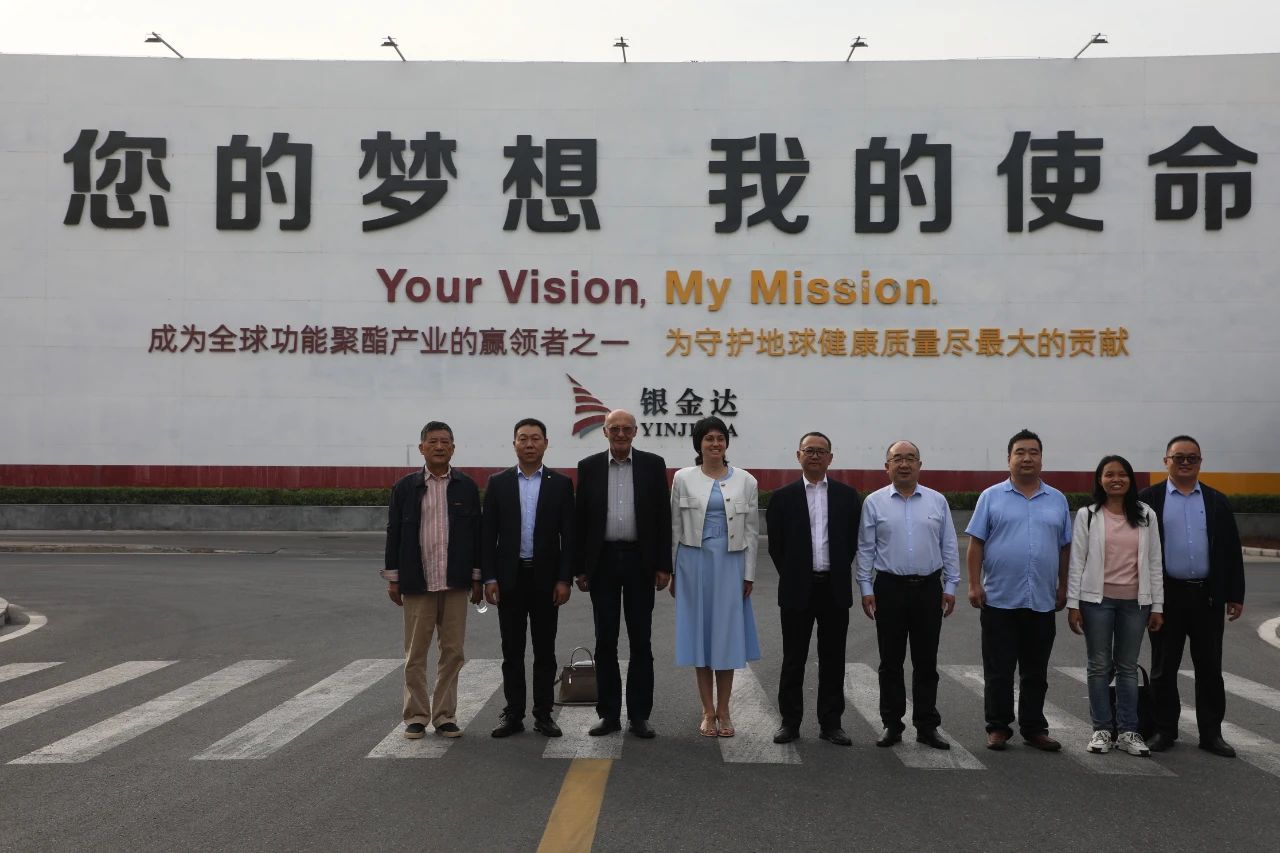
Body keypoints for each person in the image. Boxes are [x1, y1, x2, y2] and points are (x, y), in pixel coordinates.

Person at [966, 428, 1072, 752]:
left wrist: (1064, 586)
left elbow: (1064, 547)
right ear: (1009, 458)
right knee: (998, 670)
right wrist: (974, 584)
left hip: (1041, 599)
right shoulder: (991, 496)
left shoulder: (1057, 500)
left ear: (1041, 458)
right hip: (999, 599)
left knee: (1035, 672)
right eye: (1020, 452)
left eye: (1033, 452)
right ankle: (998, 727)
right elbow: (976, 544)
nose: (1027, 458)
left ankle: (1034, 728)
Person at [1139, 435, 1245, 758]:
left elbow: (1231, 550)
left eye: (1192, 458)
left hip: (1207, 597)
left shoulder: (1216, 501)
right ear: (1166, 461)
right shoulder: (1149, 500)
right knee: (1163, 668)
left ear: (1200, 462)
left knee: (1210, 668)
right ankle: (1164, 730)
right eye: (1179, 457)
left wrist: (1235, 594)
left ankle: (1211, 734)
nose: (1185, 463)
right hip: (1166, 598)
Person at [573, 409, 672, 739]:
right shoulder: (589, 467)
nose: (620, 434)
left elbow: (662, 517)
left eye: (626, 429)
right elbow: (581, 520)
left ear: (635, 432)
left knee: (641, 640)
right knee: (605, 641)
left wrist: (663, 565)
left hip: (640, 561)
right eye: (614, 428)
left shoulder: (652, 465)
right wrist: (580, 568)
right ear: (604, 432)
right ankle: (609, 714)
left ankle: (640, 716)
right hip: (602, 562)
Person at [382, 421, 483, 739]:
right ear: (422, 447)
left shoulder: (466, 487)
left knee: (453, 652)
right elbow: (394, 533)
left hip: (455, 582)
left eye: (445, 441)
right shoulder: (405, 487)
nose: (439, 447)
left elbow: (477, 535)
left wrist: (477, 577)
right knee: (415, 653)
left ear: (453, 447)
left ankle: (444, 716)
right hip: (418, 582)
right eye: (433, 441)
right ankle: (416, 715)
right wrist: (393, 578)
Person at [856, 440, 959, 751]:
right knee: (890, 662)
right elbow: (866, 548)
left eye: (910, 458)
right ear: (887, 466)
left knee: (926, 661)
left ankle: (927, 726)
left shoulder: (937, 501)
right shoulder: (874, 502)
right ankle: (892, 724)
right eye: (897, 459)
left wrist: (951, 586)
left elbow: (949, 545)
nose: (904, 464)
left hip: (929, 589)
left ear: (920, 465)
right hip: (889, 589)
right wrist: (866, 588)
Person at [766, 431, 861, 746]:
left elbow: (851, 543)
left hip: (833, 588)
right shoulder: (782, 498)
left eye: (821, 451)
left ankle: (831, 724)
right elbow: (776, 546)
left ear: (830, 458)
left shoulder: (847, 497)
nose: (815, 456)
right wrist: (795, 573)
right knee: (793, 659)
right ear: (799, 455)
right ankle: (789, 723)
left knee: (833, 659)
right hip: (797, 589)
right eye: (809, 450)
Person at [1066, 455, 1164, 757]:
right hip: (1096, 602)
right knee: (1098, 666)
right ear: (1100, 480)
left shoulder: (1146, 514)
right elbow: (1077, 561)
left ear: (1130, 479)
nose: (1116, 479)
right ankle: (1102, 730)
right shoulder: (1088, 515)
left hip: (1136, 603)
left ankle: (1128, 731)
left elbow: (1155, 562)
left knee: (1127, 667)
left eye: (1122, 474)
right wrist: (1073, 603)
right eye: (1109, 474)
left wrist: (1157, 606)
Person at [482, 418, 575, 738]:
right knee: (512, 651)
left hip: (546, 580)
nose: (530, 444)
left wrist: (564, 579)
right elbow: (488, 534)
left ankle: (543, 713)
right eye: (523, 438)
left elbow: (569, 536)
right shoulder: (499, 482)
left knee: (545, 650)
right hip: (509, 579)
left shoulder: (560, 484)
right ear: (514, 444)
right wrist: (489, 578)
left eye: (536, 438)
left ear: (546, 443)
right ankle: (513, 713)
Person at [670, 416, 761, 738]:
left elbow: (751, 532)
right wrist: (673, 571)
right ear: (699, 444)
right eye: (708, 438)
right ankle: (707, 711)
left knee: (726, 637)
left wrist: (748, 574)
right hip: (693, 562)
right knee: (701, 637)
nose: (715, 444)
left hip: (730, 563)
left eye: (720, 438)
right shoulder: (683, 478)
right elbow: (675, 527)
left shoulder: (746, 481)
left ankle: (725, 710)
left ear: (726, 443)